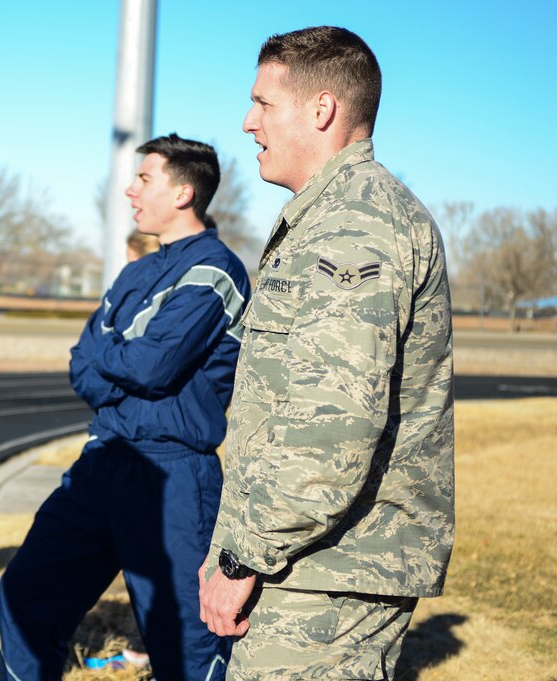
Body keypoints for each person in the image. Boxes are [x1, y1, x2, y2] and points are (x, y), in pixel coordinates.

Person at [198, 26, 454, 680]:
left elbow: (330, 430)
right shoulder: (329, 216)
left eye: (263, 103)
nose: (247, 121)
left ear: (322, 110)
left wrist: (241, 558)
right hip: (307, 563)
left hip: (330, 571)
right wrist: (231, 545)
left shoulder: (355, 226)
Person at [0, 134, 250, 681]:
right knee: (25, 591)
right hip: (104, 456)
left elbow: (151, 368)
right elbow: (81, 365)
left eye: (144, 179)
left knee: (184, 640)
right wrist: (122, 363)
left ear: (183, 192)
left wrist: (116, 361)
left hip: (171, 475)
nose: (129, 190)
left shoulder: (216, 270)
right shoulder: (135, 272)